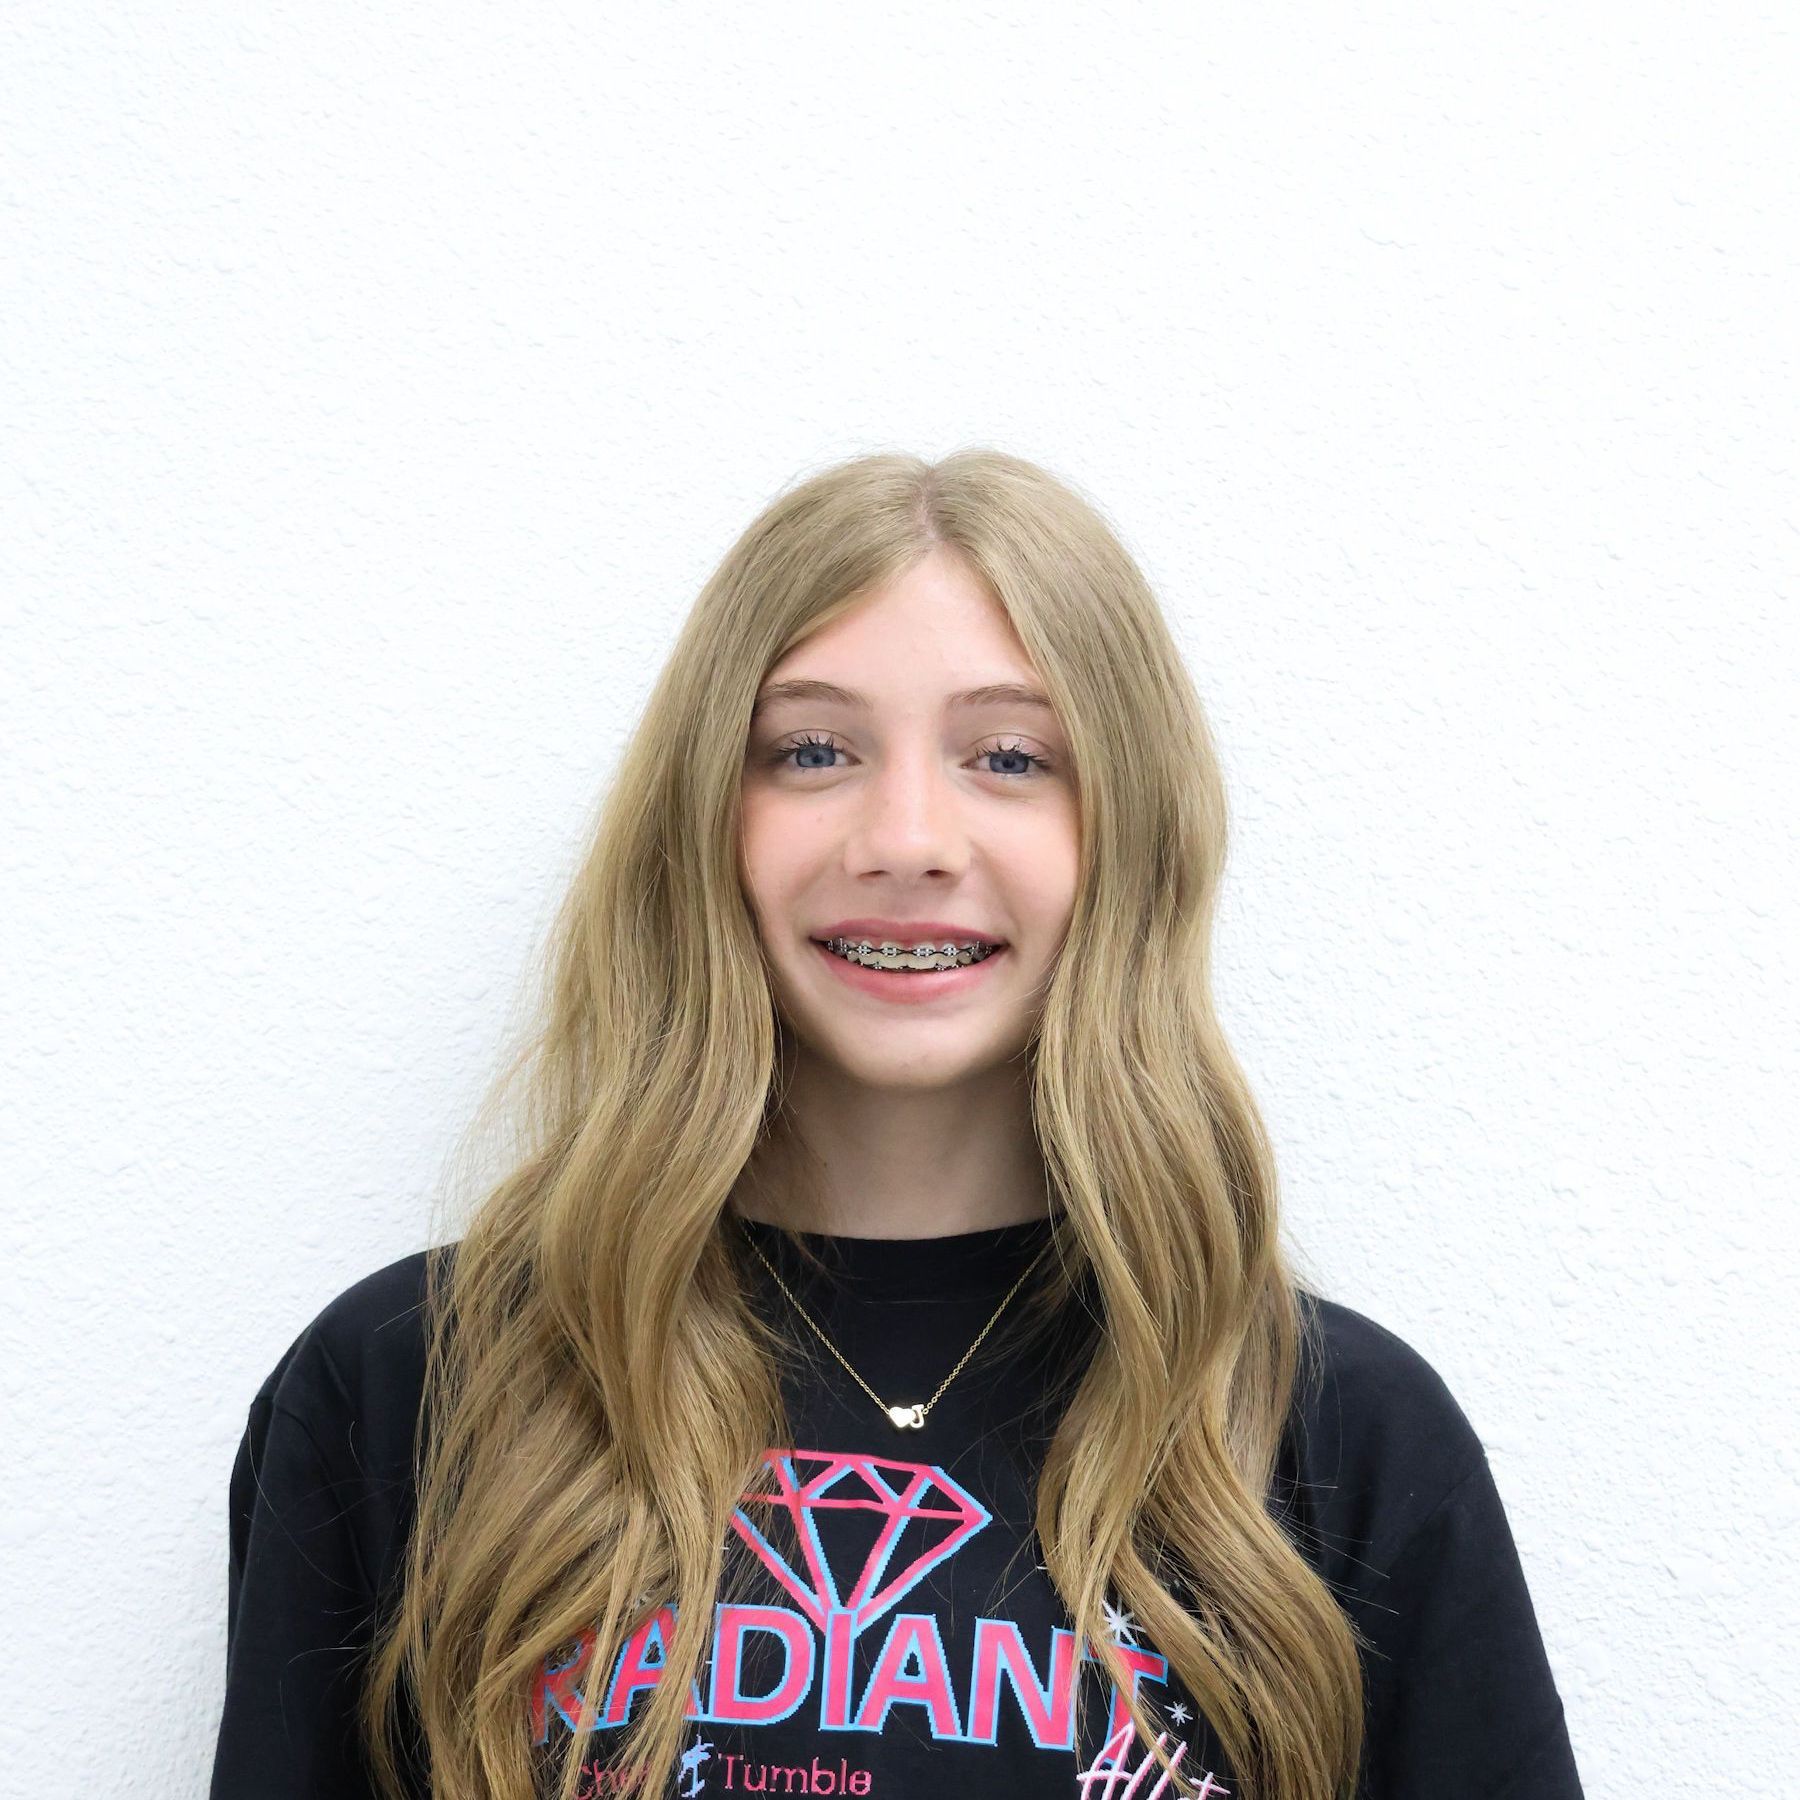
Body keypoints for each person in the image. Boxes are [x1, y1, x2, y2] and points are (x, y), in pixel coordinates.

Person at [208, 450, 1585, 1800]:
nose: (908, 836)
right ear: (707, 825)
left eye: (1009, 755)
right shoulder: (415, 1389)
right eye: (813, 750)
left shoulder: (1329, 1434)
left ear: (1130, 835)